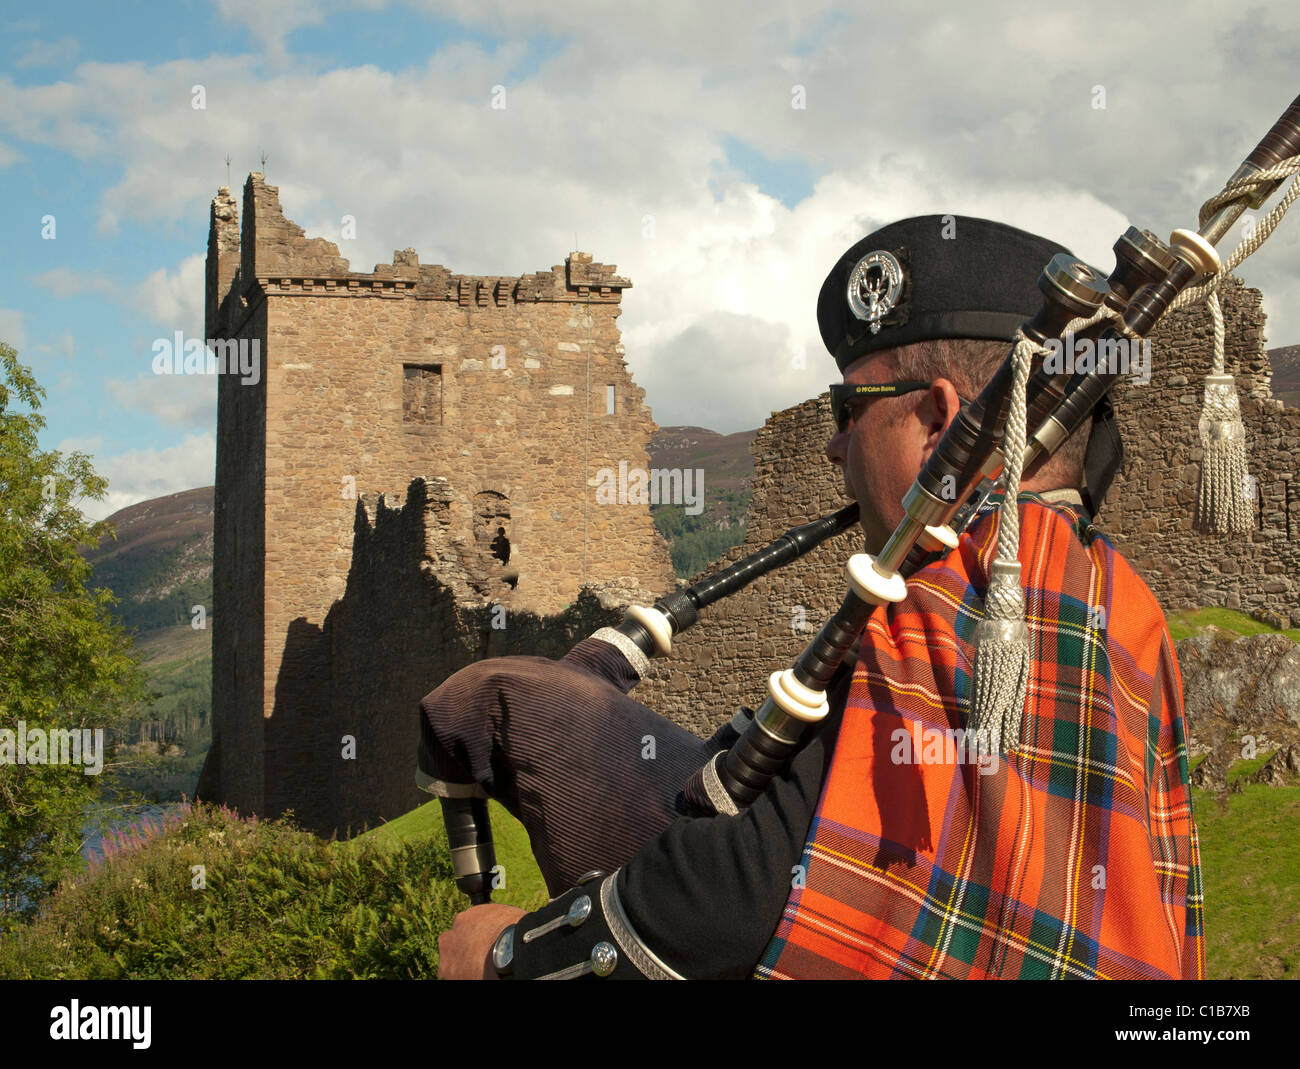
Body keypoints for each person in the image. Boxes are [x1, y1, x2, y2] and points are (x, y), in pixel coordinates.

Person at [429, 215, 1205, 980]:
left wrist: (501, 953)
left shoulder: (950, 597)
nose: (834, 444)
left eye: (849, 410)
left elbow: (716, 904)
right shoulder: (1117, 600)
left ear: (936, 420)